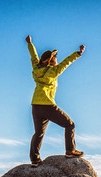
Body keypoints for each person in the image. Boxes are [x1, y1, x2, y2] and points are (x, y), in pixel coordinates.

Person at [26, 34, 85, 167]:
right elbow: (66, 63)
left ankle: (35, 159)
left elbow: (33, 56)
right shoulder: (53, 71)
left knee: (38, 133)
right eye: (55, 57)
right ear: (51, 61)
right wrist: (78, 53)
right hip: (48, 105)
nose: (57, 58)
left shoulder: (37, 69)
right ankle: (70, 150)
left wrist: (30, 43)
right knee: (70, 125)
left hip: (36, 105)